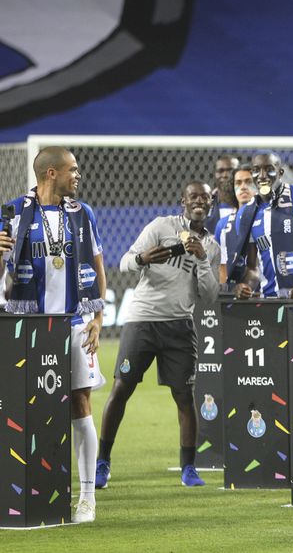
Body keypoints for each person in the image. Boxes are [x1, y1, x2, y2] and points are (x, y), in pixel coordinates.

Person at [1, 147, 107, 523]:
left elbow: (97, 263)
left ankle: (87, 497)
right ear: (50, 173)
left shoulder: (82, 214)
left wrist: (97, 317)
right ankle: (15, 488)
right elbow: (3, 278)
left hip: (74, 323)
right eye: (71, 170)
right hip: (25, 326)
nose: (77, 175)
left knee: (80, 405)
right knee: (16, 408)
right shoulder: (12, 213)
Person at [95, 181, 220, 490]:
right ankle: (102, 463)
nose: (199, 201)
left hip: (179, 325)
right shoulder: (161, 226)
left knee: (184, 397)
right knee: (122, 388)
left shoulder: (212, 246)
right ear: (184, 201)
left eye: (205, 197)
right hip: (142, 322)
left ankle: (188, 468)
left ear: (211, 204)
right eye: (193, 197)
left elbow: (208, 296)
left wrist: (202, 259)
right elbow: (125, 261)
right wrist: (142, 259)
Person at [228, 151, 293, 300]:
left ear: (280, 172)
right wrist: (244, 287)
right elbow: (253, 268)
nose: (262, 175)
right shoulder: (246, 213)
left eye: (269, 169)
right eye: (256, 170)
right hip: (270, 301)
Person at [216, 163, 256, 286]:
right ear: (232, 188)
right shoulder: (222, 225)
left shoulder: (267, 218)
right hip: (232, 291)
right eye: (238, 183)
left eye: (248, 182)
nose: (243, 187)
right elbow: (220, 265)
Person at [205, 154, 239, 234]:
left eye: (230, 170)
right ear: (215, 174)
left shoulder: (250, 203)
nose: (225, 175)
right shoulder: (205, 205)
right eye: (221, 171)